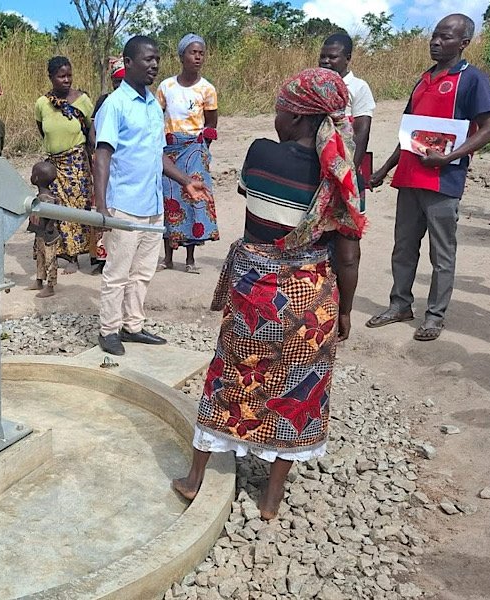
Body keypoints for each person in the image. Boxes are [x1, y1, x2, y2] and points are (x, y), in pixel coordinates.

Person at [172, 68, 364, 519]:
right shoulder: (340, 178)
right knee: (300, 391)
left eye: (280, 110)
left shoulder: (260, 154)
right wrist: (347, 313)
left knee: (230, 376)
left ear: (297, 117)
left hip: (255, 293)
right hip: (311, 301)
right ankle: (272, 497)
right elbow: (349, 254)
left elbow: (254, 202)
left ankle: (194, 478)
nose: (276, 117)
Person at [367, 14, 490, 342]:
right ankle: (400, 305)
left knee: (442, 253)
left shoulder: (472, 80)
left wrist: (451, 157)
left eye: (446, 37)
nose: (436, 42)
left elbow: (489, 129)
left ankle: (435, 315)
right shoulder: (423, 78)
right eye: (435, 36)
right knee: (404, 247)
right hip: (410, 178)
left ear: (464, 42)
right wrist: (385, 168)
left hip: (444, 180)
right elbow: (409, 133)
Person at [93, 35, 211, 356]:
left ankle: (133, 326)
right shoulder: (115, 105)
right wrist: (101, 206)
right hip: (123, 205)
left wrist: (186, 180)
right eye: (147, 59)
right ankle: (109, 330)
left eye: (157, 59)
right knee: (117, 272)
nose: (154, 65)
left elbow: (159, 155)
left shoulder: (152, 106)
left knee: (143, 271)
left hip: (152, 205)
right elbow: (102, 156)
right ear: (128, 63)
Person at [156, 33, 220, 274]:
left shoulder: (207, 89)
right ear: (181, 56)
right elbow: (156, 117)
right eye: (193, 52)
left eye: (201, 53)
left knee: (194, 200)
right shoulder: (166, 86)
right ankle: (168, 257)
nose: (198, 57)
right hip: (169, 149)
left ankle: (190, 258)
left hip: (195, 148)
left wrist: (201, 150)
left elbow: (211, 124)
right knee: (169, 199)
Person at [36, 56, 95, 274]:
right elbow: (43, 131)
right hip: (53, 166)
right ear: (51, 77)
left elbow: (91, 132)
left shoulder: (82, 101)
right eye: (61, 76)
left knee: (77, 209)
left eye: (69, 75)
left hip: (76, 164)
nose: (66, 80)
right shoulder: (42, 103)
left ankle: (75, 257)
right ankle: (62, 253)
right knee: (56, 209)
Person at [320, 32, 375, 213]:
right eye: (323, 56)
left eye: (332, 57)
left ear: (347, 58)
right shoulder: (316, 83)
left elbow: (361, 132)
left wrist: (350, 171)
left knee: (347, 219)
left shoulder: (359, 87)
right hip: (319, 162)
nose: (325, 61)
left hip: (347, 161)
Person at [27, 161, 61, 298]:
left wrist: (50, 226)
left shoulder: (48, 199)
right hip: (40, 234)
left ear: (35, 179)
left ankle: (50, 286)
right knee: (39, 258)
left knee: (50, 261)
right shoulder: (40, 197)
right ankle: (39, 280)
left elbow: (54, 215)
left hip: (48, 235)